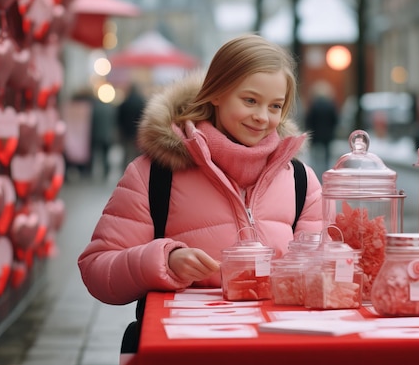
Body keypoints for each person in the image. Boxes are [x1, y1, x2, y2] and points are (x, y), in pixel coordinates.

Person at [78, 34, 323, 306]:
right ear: (217, 93)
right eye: (250, 101)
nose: (263, 117)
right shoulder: (156, 175)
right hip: (186, 344)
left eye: (275, 106)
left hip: (277, 342)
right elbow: (96, 269)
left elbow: (324, 267)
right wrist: (164, 261)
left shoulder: (301, 181)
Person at [304, 82, 339, 174]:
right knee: (327, 158)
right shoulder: (330, 105)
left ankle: (314, 172)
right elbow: (335, 120)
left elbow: (309, 120)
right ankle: (326, 171)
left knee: (315, 157)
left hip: (315, 135)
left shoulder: (314, 105)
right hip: (328, 135)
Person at [117, 83, 146, 169]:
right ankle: (136, 170)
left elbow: (119, 118)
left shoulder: (124, 102)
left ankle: (126, 169)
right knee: (136, 153)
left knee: (126, 152)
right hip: (137, 132)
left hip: (126, 132)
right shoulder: (141, 102)